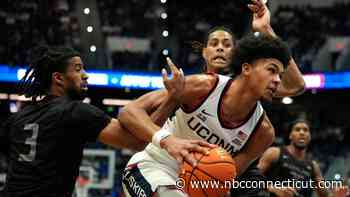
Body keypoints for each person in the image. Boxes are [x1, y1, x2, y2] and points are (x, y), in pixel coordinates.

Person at [0, 46, 209, 197]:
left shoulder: (19, 117)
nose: (86, 75)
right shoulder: (74, 111)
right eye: (78, 69)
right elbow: (135, 141)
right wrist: (172, 98)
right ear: (58, 78)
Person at [119, 33, 295, 197]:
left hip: (192, 189)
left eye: (280, 75)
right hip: (152, 167)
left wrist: (267, 187)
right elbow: (129, 111)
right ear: (247, 69)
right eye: (272, 70)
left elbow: (227, 179)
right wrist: (167, 140)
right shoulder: (203, 87)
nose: (278, 80)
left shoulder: (263, 132)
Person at [258, 119, 329, 197]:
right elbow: (251, 177)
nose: (302, 133)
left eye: (305, 130)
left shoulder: (313, 166)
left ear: (310, 137)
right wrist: (272, 188)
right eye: (297, 129)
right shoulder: (274, 153)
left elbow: (325, 194)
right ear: (290, 135)